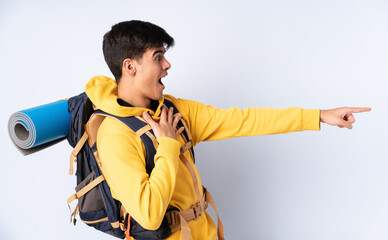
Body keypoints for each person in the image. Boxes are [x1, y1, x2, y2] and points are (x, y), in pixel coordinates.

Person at [84, 20, 371, 240]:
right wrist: (168, 147)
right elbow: (148, 214)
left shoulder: (173, 109)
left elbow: (243, 120)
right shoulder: (114, 135)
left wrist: (318, 116)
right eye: (158, 56)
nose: (167, 64)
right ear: (130, 66)